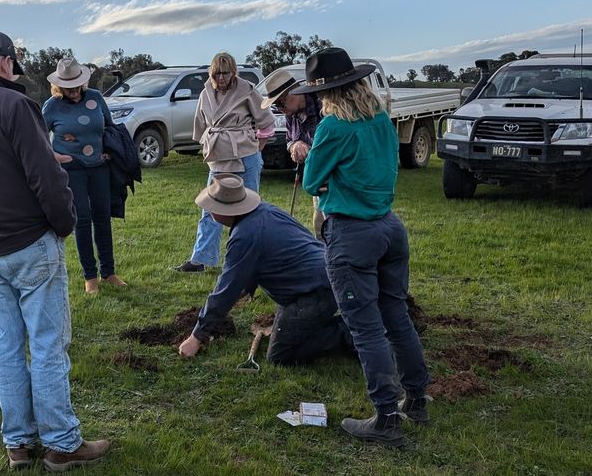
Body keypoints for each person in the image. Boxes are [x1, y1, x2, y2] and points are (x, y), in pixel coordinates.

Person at [0, 31, 111, 472]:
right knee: (47, 345)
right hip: (29, 243)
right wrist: (64, 224)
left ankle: (18, 444)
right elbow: (47, 177)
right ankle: (62, 443)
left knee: (7, 347)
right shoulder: (15, 105)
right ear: (7, 64)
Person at [299, 48, 430, 447]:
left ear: (329, 92)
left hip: (352, 234)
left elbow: (311, 181)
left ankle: (386, 417)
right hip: (389, 227)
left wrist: (328, 179)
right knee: (397, 316)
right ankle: (417, 401)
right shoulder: (380, 120)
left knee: (366, 327)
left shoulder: (333, 127)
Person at [177, 176, 351, 364]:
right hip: (326, 276)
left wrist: (196, 337)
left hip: (316, 291)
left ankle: (354, 334)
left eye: (212, 207)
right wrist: (248, 286)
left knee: (281, 356)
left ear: (225, 211)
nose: (209, 210)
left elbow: (226, 291)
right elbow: (257, 259)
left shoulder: (244, 236)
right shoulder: (266, 210)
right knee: (288, 332)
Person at [174, 52, 275, 273]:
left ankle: (250, 258)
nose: (221, 78)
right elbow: (201, 125)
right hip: (218, 159)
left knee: (250, 208)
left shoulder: (247, 89)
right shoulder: (205, 93)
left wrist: (255, 150)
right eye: (217, 73)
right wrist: (209, 144)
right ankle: (200, 259)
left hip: (245, 155)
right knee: (211, 208)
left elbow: (266, 123)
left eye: (226, 73)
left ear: (234, 72)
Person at [42, 57, 125, 294]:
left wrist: (109, 150)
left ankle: (108, 273)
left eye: (77, 85)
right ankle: (90, 277)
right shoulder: (52, 106)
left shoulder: (96, 98)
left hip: (99, 166)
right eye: (69, 87)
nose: (75, 91)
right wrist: (57, 157)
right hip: (72, 169)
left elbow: (109, 126)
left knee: (103, 217)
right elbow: (37, 137)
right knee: (83, 220)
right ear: (60, 86)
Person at [261, 67, 324, 233]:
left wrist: (309, 148)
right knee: (319, 215)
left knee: (332, 222)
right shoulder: (291, 113)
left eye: (280, 103)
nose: (280, 109)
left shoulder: (322, 105)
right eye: (276, 105)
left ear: (294, 92)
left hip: (334, 174)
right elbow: (290, 140)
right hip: (316, 174)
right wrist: (295, 145)